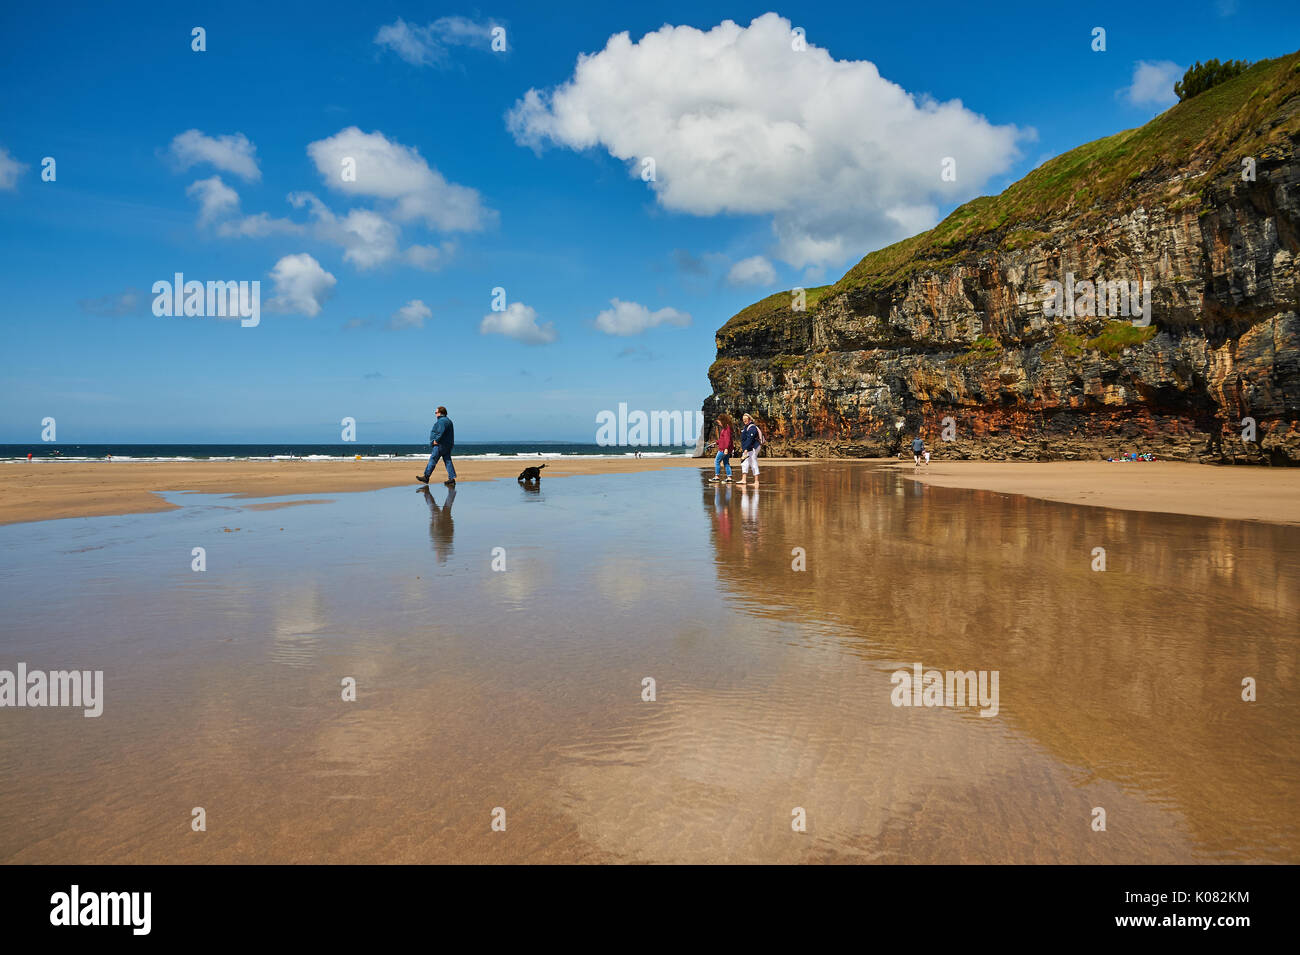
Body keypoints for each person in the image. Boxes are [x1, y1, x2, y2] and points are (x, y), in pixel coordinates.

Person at [417, 406, 456, 486]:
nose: (435, 414)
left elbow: (440, 432)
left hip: (440, 445)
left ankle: (426, 476)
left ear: (440, 413)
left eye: (436, 412)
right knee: (448, 461)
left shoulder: (441, 421)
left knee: (433, 460)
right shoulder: (449, 421)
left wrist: (435, 441)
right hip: (447, 445)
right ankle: (452, 479)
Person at [706, 413, 734, 482]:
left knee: (717, 461)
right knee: (726, 463)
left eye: (719, 422)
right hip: (725, 449)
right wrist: (716, 443)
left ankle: (717, 477)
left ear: (723, 421)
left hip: (723, 449)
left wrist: (726, 448)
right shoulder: (726, 428)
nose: (719, 424)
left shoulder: (726, 429)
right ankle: (729, 478)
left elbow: (728, 440)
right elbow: (722, 439)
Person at [736, 413, 762, 485]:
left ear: (749, 419)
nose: (744, 420)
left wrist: (746, 449)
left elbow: (750, 439)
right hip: (747, 448)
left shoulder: (752, 427)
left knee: (753, 462)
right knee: (744, 462)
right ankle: (743, 479)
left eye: (746, 419)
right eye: (743, 419)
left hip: (752, 448)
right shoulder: (746, 427)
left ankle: (756, 481)